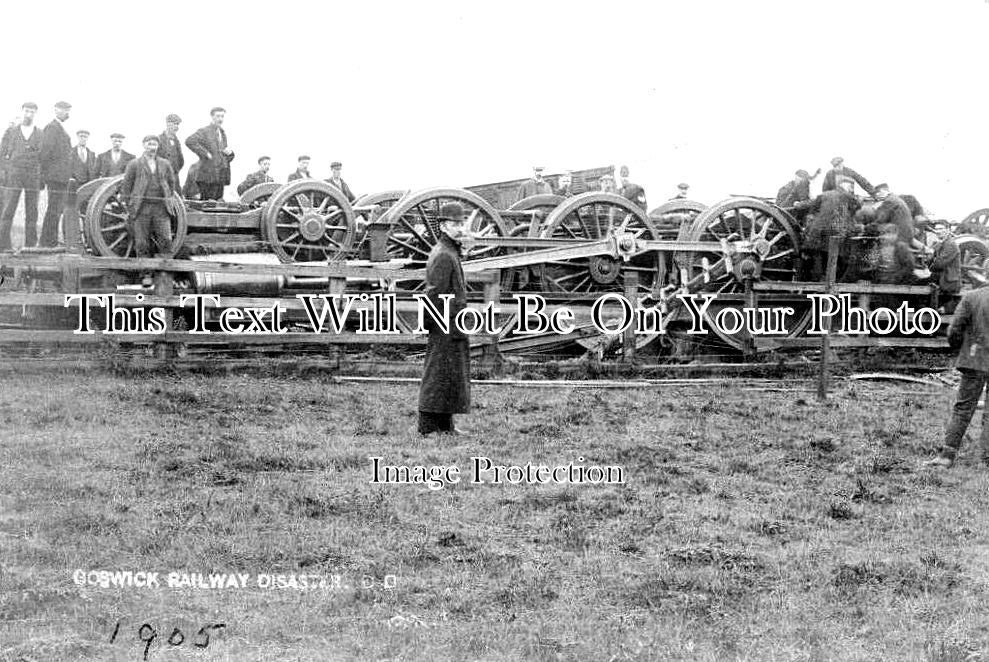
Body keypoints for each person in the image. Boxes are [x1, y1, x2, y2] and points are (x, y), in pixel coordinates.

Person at [418, 201, 472, 436]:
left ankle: (445, 426)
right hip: (444, 323)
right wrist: (431, 324)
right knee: (436, 374)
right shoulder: (443, 255)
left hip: (452, 322)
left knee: (449, 375)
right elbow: (434, 294)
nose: (459, 228)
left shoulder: (450, 251)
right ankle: (427, 427)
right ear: (442, 226)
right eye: (454, 223)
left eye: (461, 223)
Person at [927, 284, 989, 468]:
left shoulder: (972, 297)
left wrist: (960, 347)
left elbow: (955, 329)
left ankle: (947, 455)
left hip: (974, 358)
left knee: (963, 407)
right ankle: (985, 459)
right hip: (977, 359)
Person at [121, 135, 180, 283]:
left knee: (166, 240)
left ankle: (166, 273)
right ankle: (146, 274)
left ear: (158, 146)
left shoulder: (165, 164)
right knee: (142, 243)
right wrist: (130, 204)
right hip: (142, 209)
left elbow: (172, 184)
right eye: (149, 144)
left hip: (161, 208)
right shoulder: (134, 164)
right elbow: (126, 186)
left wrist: (167, 197)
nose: (152, 147)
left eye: (154, 144)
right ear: (143, 145)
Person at [0, 102, 43, 250]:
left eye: (32, 112)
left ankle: (30, 245)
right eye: (26, 111)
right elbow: (2, 153)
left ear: (35, 114)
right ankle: (3, 244)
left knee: (32, 211)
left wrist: (40, 177)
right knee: (8, 208)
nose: (29, 114)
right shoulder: (11, 131)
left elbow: (43, 157)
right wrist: (4, 171)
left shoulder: (40, 133)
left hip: (32, 176)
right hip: (14, 174)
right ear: (22, 111)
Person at [802, 177, 862, 281]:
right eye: (851, 186)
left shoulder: (823, 195)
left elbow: (812, 212)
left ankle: (816, 286)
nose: (852, 189)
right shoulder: (848, 197)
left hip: (816, 234)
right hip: (835, 234)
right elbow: (856, 208)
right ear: (843, 185)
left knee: (817, 260)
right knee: (835, 262)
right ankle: (830, 286)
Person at [39, 101, 74, 247]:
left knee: (55, 209)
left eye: (68, 110)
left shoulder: (59, 127)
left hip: (60, 177)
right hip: (55, 178)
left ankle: (49, 241)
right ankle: (47, 242)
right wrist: (44, 175)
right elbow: (45, 153)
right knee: (54, 209)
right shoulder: (52, 127)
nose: (68, 113)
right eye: (66, 110)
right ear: (57, 110)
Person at [185, 106, 234, 200]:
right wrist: (205, 153)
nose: (220, 119)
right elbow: (189, 141)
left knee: (217, 207)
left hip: (220, 176)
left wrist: (230, 154)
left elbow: (222, 154)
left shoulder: (222, 133)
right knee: (206, 205)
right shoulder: (204, 131)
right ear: (212, 117)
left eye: (222, 116)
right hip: (207, 177)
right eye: (218, 116)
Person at [926, 221, 961, 313]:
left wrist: (932, 263)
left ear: (948, 230)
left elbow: (939, 264)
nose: (938, 231)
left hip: (948, 283)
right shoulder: (939, 245)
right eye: (936, 229)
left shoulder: (951, 244)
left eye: (941, 229)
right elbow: (930, 262)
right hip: (941, 280)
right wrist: (932, 262)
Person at [67, 129, 96, 215]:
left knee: (86, 208)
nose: (83, 138)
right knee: (72, 208)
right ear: (77, 137)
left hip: (87, 185)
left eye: (85, 137)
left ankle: (85, 227)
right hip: (74, 185)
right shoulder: (70, 152)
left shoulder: (92, 154)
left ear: (88, 138)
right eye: (81, 136)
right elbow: (67, 168)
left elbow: (93, 171)